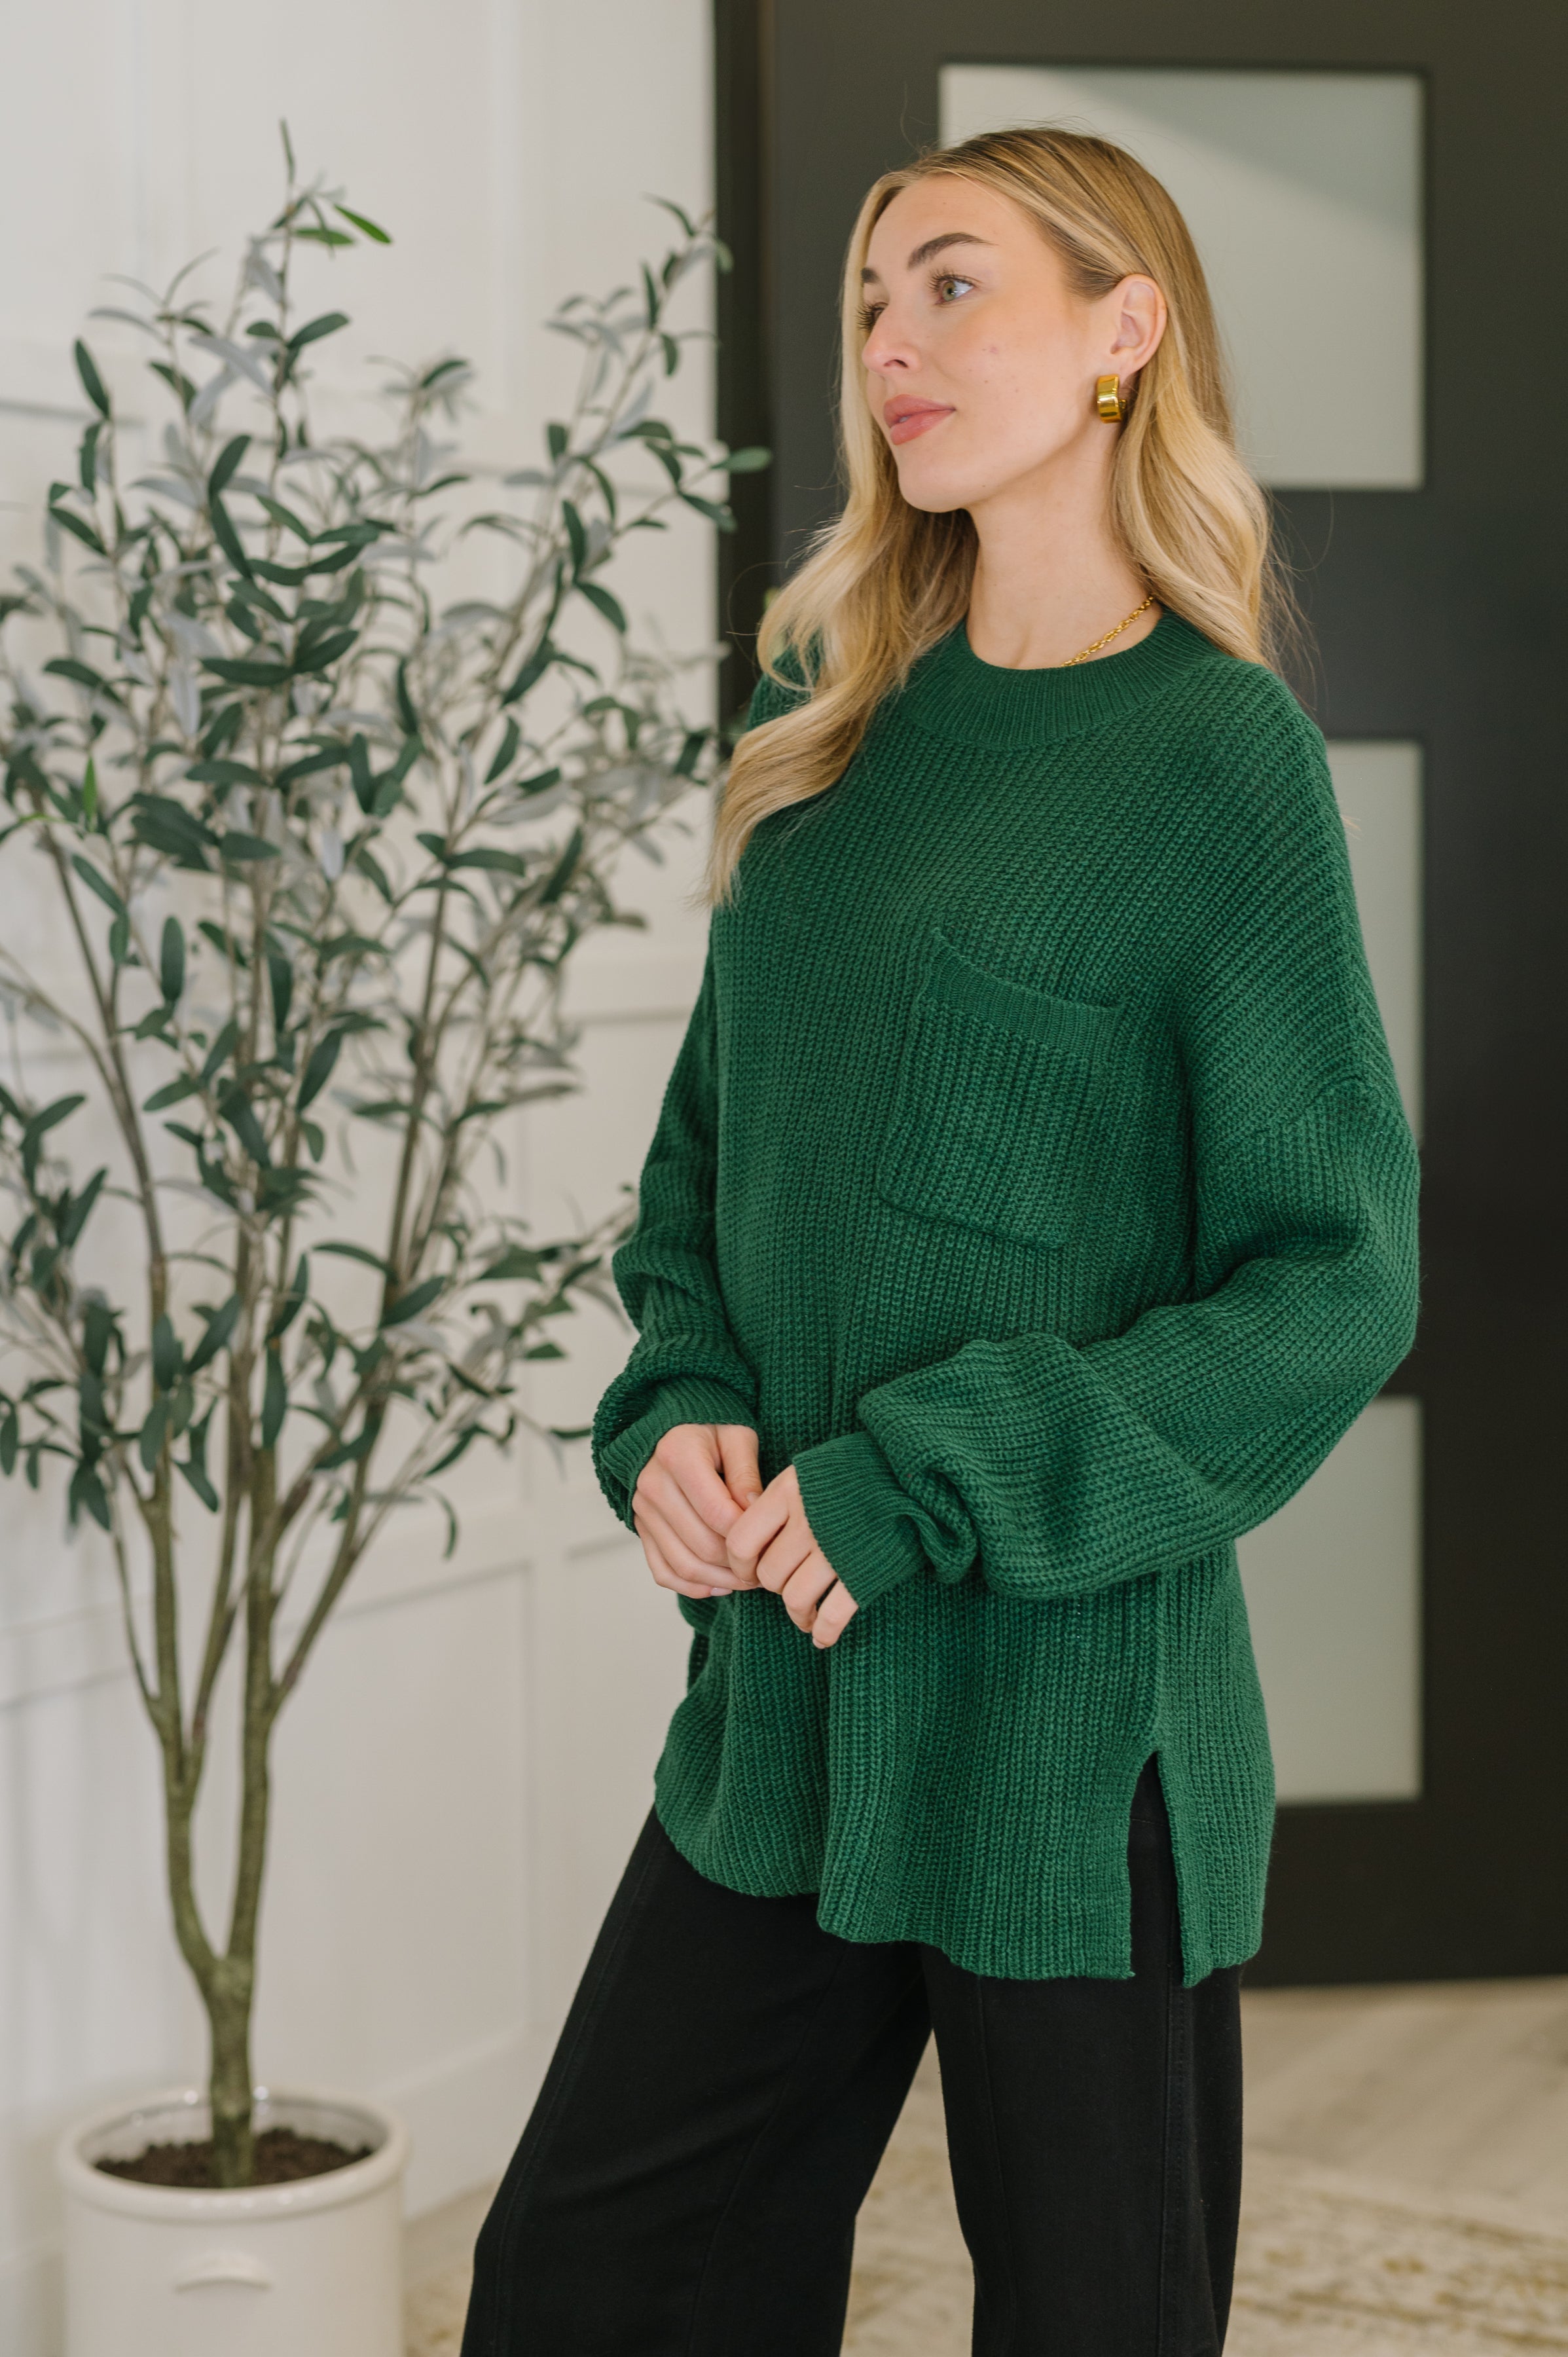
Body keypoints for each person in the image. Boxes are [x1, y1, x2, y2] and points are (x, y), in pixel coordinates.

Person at [462, 125, 1419, 2357]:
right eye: (872, 300)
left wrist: (929, 1478)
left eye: (955, 283)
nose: (891, 341)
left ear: (1120, 331)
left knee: (1094, 2318)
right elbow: (704, 1181)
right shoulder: (829, 726)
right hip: (784, 1709)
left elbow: (1330, 1277)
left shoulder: (1216, 763)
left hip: (1069, 1743)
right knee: (588, 2286)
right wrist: (677, 1411)